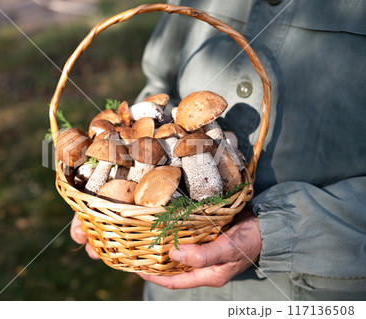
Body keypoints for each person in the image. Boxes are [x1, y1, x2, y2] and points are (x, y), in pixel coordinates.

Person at [71, 0, 366, 300]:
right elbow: (159, 82)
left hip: (306, 289)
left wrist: (278, 230)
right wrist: (104, 203)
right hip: (170, 287)